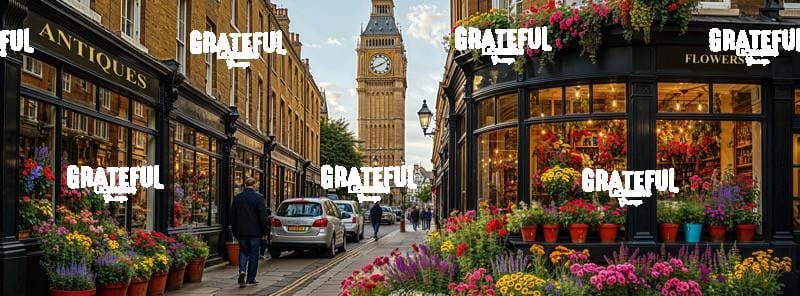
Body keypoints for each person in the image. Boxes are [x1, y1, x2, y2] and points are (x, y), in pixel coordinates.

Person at [230, 178, 268, 288]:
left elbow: (232, 217)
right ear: (254, 185)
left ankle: (242, 271)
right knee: (253, 255)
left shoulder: (237, 198)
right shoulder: (258, 198)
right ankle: (251, 278)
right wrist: (264, 231)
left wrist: (235, 231)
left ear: (245, 185)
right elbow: (263, 216)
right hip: (255, 233)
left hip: (241, 232)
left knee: (243, 252)